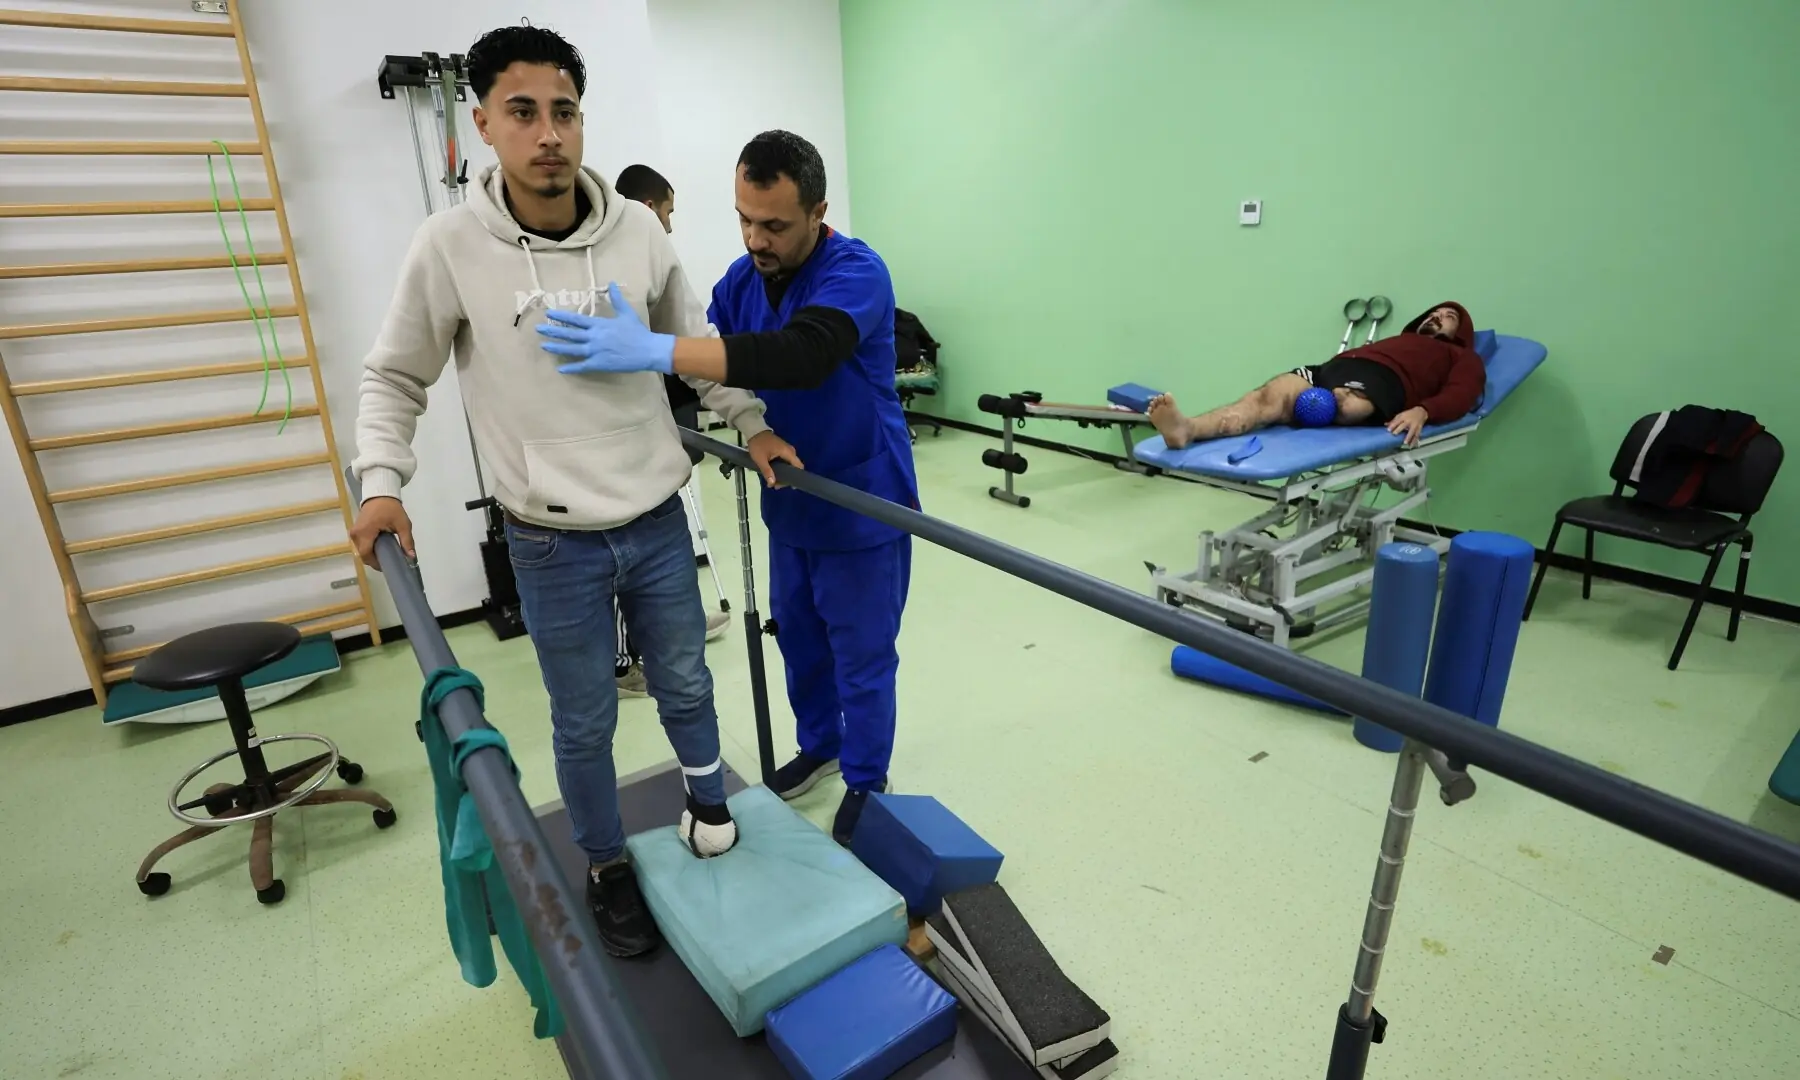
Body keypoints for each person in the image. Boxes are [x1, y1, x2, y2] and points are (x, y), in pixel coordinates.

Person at [346, 25, 799, 959]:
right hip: (549, 542)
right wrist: (382, 483)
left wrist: (751, 425)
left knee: (684, 680)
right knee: (585, 713)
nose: (548, 133)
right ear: (483, 124)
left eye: (564, 111)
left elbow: (695, 341)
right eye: (523, 112)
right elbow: (395, 377)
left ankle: (709, 806)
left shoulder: (637, 231)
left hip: (658, 517)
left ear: (581, 120)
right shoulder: (448, 247)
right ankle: (603, 863)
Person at [534, 130, 916, 845]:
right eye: (744, 218)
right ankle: (822, 743)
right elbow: (720, 367)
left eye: (773, 224)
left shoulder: (856, 272)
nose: (755, 237)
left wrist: (658, 349)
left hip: (863, 500)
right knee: (799, 639)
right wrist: (677, 367)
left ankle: (867, 778)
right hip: (791, 498)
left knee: (861, 653)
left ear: (817, 211)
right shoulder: (741, 283)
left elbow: (802, 354)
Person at [608, 163, 728, 699]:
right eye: (670, 213)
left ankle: (664, 627)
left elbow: (692, 346)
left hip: (655, 431)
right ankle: (623, 662)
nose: (672, 227)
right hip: (610, 454)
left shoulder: (651, 259)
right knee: (612, 553)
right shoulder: (611, 262)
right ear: (651, 207)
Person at [1147, 301, 1485, 450]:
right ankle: (1187, 429)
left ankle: (1342, 400)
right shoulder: (1400, 339)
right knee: (1265, 399)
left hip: (1383, 381)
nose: (1438, 316)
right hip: (1331, 368)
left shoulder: (1460, 355)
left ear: (1462, 332)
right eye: (1434, 312)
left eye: (1449, 315)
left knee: (1349, 405)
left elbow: (1463, 392)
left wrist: (1423, 410)